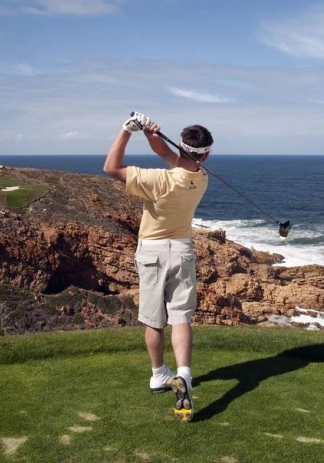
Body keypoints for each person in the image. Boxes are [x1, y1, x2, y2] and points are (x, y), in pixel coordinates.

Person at [103, 111, 213, 422]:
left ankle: (157, 375)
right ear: (207, 153)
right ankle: (185, 375)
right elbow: (170, 155)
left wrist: (127, 130)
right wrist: (152, 135)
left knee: (154, 320)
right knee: (180, 317)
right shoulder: (201, 178)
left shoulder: (158, 180)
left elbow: (111, 167)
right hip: (182, 252)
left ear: (181, 144)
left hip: (151, 252)